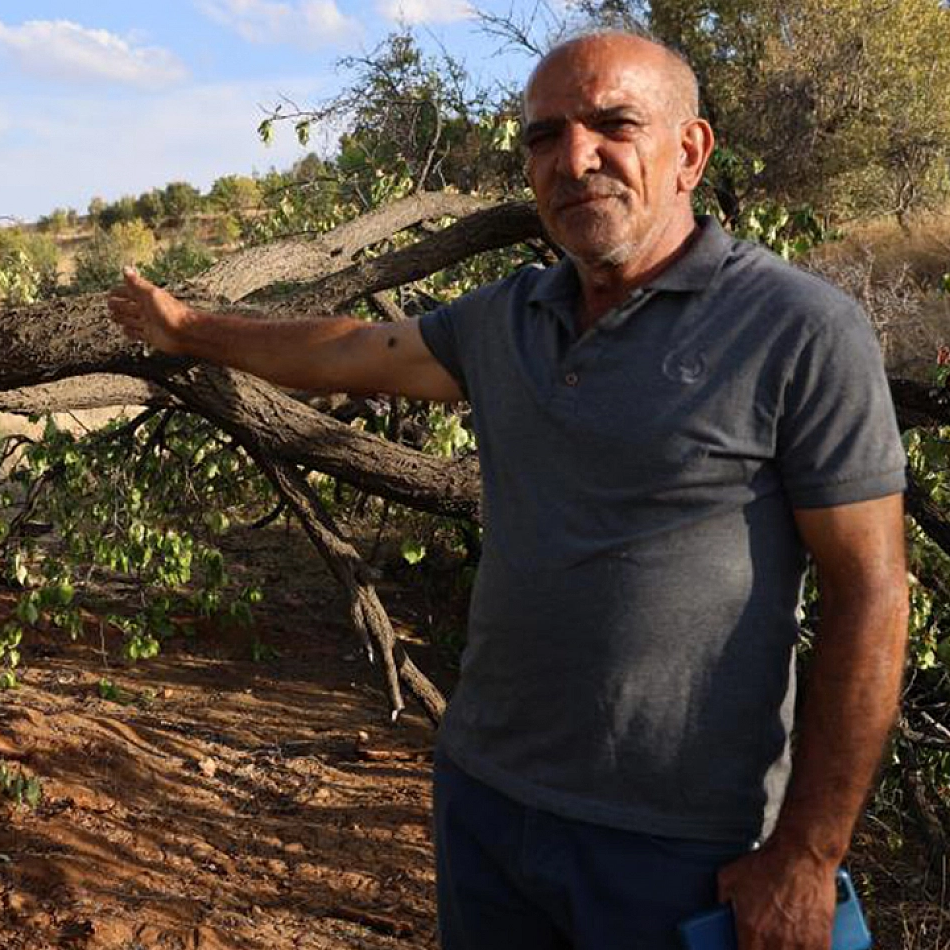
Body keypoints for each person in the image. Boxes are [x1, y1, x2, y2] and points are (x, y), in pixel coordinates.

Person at [106, 29, 909, 950]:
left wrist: (808, 853)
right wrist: (186, 328)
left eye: (614, 124)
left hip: (682, 845)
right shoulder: (510, 314)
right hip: (487, 799)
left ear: (689, 152)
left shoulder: (798, 328)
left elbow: (873, 593)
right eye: (544, 136)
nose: (574, 159)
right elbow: (357, 350)